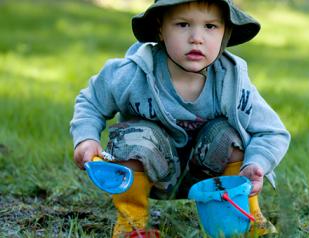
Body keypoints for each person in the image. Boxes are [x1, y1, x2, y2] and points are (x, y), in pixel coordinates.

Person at [70, 0, 290, 237]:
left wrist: (256, 163)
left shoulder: (231, 82)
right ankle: (131, 225)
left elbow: (272, 131)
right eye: (183, 24)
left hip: (210, 176)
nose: (197, 37)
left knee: (230, 134)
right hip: (152, 172)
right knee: (135, 135)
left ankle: (244, 219)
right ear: (160, 28)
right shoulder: (133, 74)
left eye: (210, 27)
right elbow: (91, 101)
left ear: (225, 32)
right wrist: (86, 138)